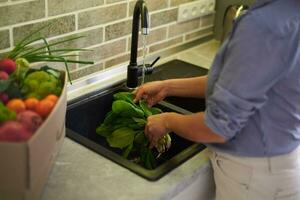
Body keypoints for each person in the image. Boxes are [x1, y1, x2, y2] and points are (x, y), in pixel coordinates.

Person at [133, 0, 300, 199]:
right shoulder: (286, 12)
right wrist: (169, 87)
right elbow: (236, 82)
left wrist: (168, 121)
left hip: (254, 179)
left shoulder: (265, 25)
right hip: (275, 166)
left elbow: (217, 128)